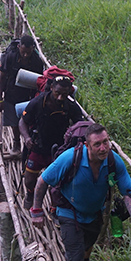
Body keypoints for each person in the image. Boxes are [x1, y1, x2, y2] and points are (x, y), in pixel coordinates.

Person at [29, 123, 131, 261]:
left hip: (94, 213)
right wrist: (36, 210)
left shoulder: (114, 162)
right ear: (86, 146)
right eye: (97, 144)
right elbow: (42, 181)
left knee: (86, 249)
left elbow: (128, 192)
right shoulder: (70, 158)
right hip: (69, 211)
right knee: (74, 259)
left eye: (106, 142)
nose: (103, 148)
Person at [19, 76, 83, 209]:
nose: (60, 97)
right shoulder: (38, 102)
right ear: (52, 88)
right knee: (30, 179)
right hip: (38, 146)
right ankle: (31, 194)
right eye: (57, 93)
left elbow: (79, 125)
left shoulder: (71, 106)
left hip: (59, 150)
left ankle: (54, 209)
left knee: (57, 184)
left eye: (64, 95)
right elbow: (23, 121)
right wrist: (27, 138)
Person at [0, 35, 44, 158]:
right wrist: (0, 99)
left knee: (28, 120)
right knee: (13, 120)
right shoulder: (10, 57)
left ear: (33, 48)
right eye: (23, 52)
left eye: (28, 53)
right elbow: (1, 78)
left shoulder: (37, 61)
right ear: (18, 47)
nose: (25, 55)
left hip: (28, 96)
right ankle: (16, 143)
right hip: (11, 93)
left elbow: (39, 82)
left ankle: (29, 147)